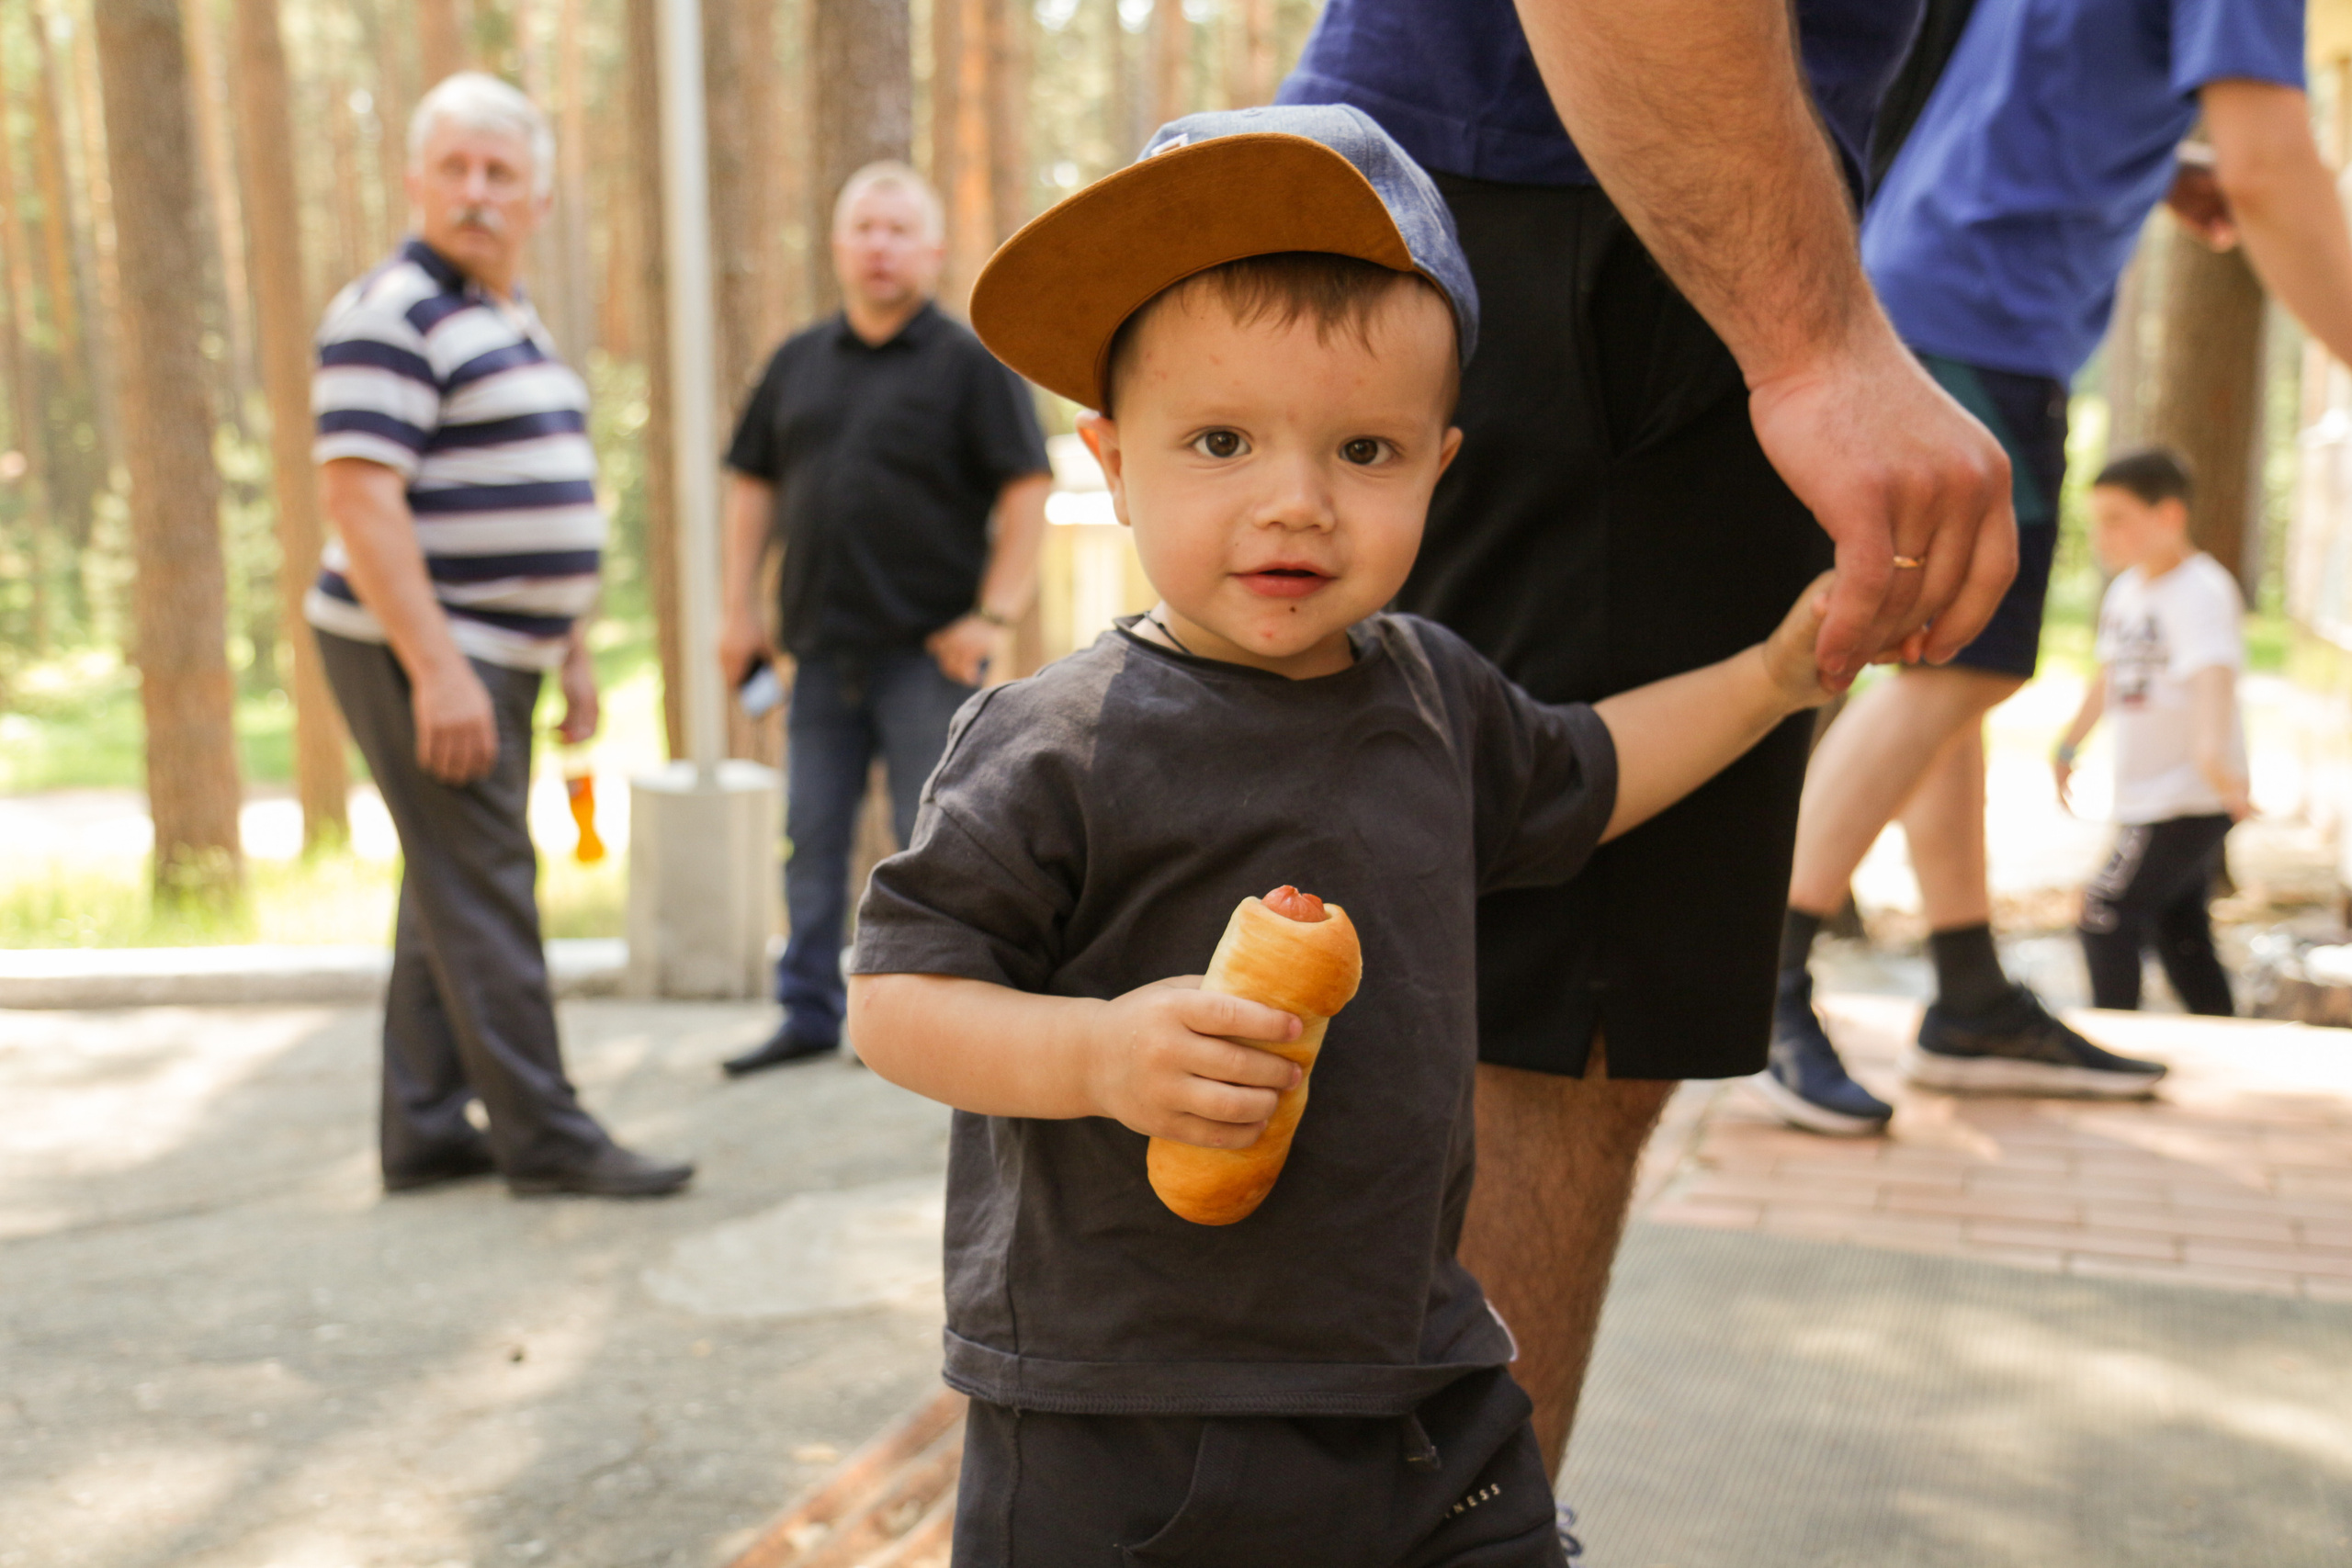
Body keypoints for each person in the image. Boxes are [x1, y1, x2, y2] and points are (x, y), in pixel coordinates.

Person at [847, 107, 1838, 1565]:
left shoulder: (1437, 696)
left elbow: (1594, 768)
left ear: (1441, 464)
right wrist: (1100, 1054)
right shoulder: (1054, 739)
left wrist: (1770, 679)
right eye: (1221, 440)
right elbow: (894, 1002)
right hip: (1127, 1412)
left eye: (1364, 448)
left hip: (1421, 1388)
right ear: (1114, 461)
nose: (1296, 501)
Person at [1272, 0, 2016, 1481]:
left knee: (1470, 992)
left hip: (1548, 181)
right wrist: (1817, 343)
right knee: (1540, 1028)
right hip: (1596, 192)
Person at [1767, 0, 2352, 1133]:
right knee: (1968, 669)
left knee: (1947, 660)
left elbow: (2046, 73)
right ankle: (1763, 978)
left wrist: (2167, 168)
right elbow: (2271, 167)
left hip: (1930, 289)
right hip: (1977, 316)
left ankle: (1968, 997)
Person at [307, 73, 691, 1198]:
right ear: (416, 182)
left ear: (539, 200)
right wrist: (435, 669)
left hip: (495, 649)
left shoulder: (504, 316)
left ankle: (426, 1126)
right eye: (456, 169)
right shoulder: (390, 312)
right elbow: (361, 500)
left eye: (500, 173)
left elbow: (530, 496)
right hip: (422, 645)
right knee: (485, 880)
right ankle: (547, 1138)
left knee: (449, 882)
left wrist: (568, 647)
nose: (476, 191)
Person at [717, 163, 1052, 1078]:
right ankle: (807, 1013)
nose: (880, 245)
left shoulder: (969, 363)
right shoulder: (797, 361)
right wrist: (736, 610)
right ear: (837, 246)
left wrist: (993, 616)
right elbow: (752, 486)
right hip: (819, 657)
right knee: (811, 840)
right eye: (864, 228)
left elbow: (1028, 488)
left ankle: (926, 1019)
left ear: (934, 250)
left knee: (932, 840)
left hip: (928, 658)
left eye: (899, 229)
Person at [2052, 449, 2248, 1020]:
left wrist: (2214, 763)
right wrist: (2068, 745)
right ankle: (2223, 1035)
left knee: (2102, 913)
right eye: (2097, 522)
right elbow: (2111, 675)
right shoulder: (2127, 592)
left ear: (2169, 515)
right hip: (2150, 795)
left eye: (2117, 520)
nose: (2102, 537)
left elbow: (2213, 678)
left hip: (2187, 797)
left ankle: (2114, 1039)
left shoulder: (2202, 590)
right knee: (2179, 930)